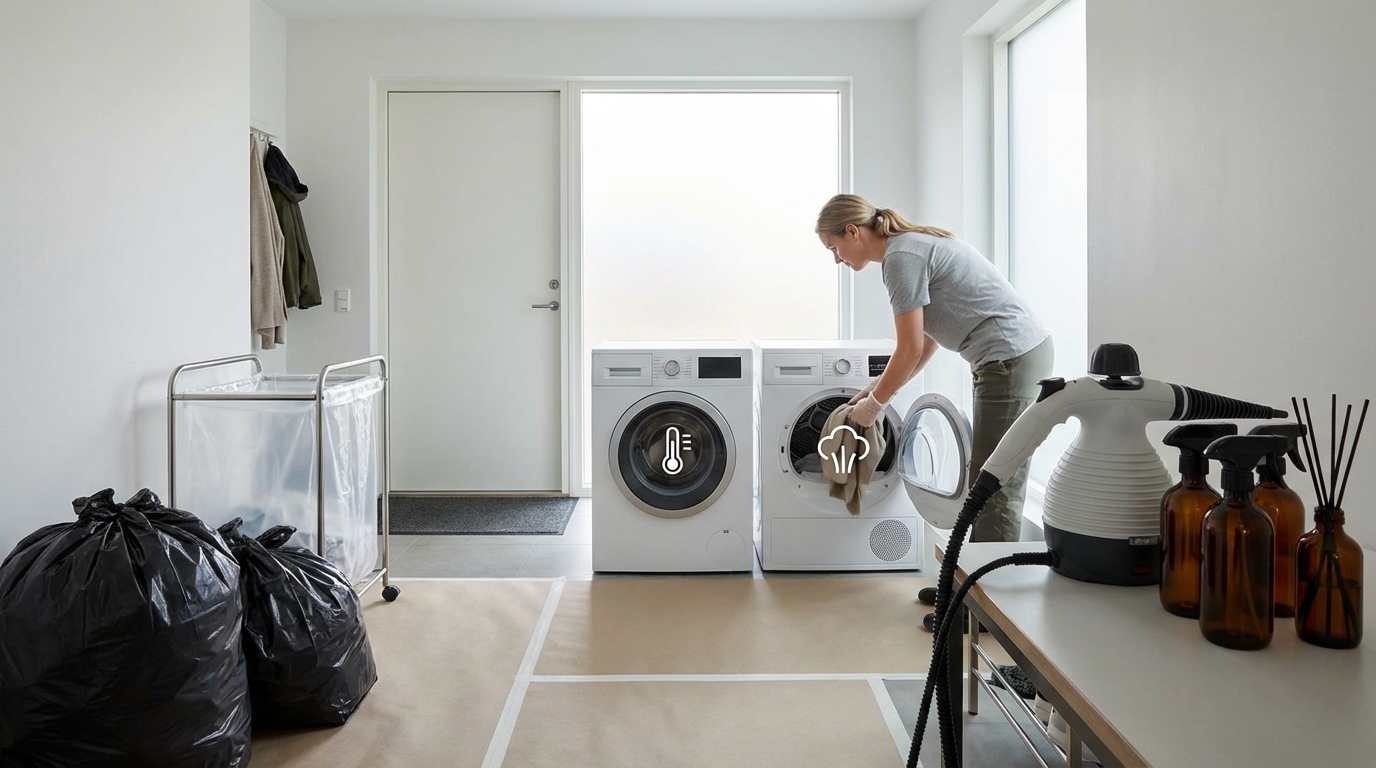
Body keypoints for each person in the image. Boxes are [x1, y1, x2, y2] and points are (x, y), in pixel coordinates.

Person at [816, 194, 1053, 626]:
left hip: (1010, 360)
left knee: (994, 484)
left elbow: (909, 347)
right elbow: (926, 342)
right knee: (986, 479)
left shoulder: (899, 259)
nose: (835, 259)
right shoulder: (909, 245)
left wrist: (874, 405)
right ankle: (967, 591)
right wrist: (874, 390)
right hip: (1008, 358)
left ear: (852, 232)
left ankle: (987, 613)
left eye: (833, 247)